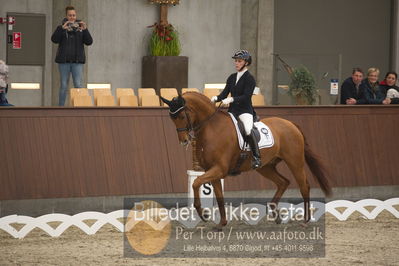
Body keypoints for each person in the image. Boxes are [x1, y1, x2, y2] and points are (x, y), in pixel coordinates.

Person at [211, 50, 261, 169]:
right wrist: (216, 98)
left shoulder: (250, 79)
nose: (236, 63)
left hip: (245, 110)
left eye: (239, 61)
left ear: (246, 63)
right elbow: (224, 93)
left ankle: (256, 157)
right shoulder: (232, 77)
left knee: (248, 130)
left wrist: (231, 99)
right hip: (232, 111)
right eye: (236, 61)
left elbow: (246, 96)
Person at [51, 6, 93, 106]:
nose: (72, 17)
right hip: (64, 62)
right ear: (66, 15)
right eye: (70, 15)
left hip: (77, 62)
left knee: (78, 85)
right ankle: (61, 107)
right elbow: (54, 40)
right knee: (64, 86)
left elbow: (89, 42)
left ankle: (78, 107)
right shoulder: (61, 27)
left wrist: (85, 29)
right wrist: (62, 29)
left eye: (74, 15)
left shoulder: (80, 28)